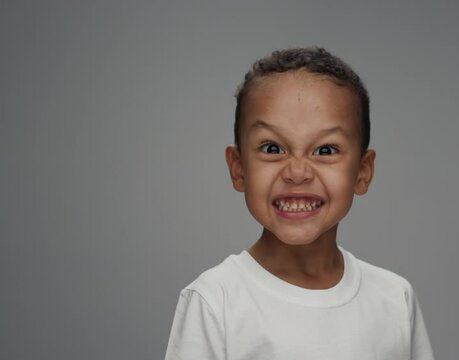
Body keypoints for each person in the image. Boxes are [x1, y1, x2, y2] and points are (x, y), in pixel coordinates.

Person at [164, 47, 435, 360]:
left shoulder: (395, 299)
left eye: (325, 150)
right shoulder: (216, 301)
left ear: (363, 171)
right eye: (272, 147)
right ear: (238, 168)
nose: (297, 173)